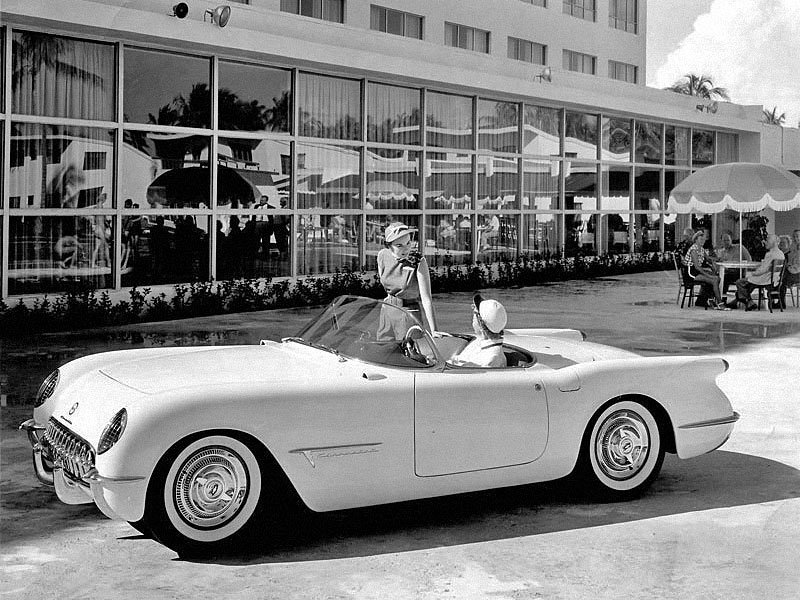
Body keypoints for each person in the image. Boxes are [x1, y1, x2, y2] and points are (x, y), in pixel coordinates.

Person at [377, 222, 438, 338]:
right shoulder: (382, 256)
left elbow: (426, 299)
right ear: (388, 246)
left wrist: (434, 330)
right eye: (399, 245)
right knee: (385, 349)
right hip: (388, 309)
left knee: (410, 352)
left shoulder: (418, 262)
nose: (406, 248)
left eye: (408, 243)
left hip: (409, 313)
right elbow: (384, 280)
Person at [450, 294, 508, 368]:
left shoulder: (491, 359)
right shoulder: (479, 343)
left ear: (480, 324)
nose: (472, 308)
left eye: (475, 312)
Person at [731, 234, 785, 311]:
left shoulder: (770, 254)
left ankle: (748, 301)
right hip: (774, 279)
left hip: (765, 279)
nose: (765, 243)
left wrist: (752, 273)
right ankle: (744, 300)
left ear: (773, 243)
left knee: (739, 282)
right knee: (747, 284)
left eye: (767, 241)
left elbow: (762, 270)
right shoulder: (781, 254)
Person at [684, 230, 727, 310]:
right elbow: (697, 267)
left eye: (703, 239)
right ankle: (719, 303)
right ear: (696, 239)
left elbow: (708, 259)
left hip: (697, 271)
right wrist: (707, 275)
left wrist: (718, 259)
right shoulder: (694, 249)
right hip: (691, 273)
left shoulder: (701, 249)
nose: (703, 241)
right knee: (713, 279)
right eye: (701, 239)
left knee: (717, 277)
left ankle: (711, 299)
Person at [779, 229, 800, 308]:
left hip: (797, 273)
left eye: (797, 236)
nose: (795, 238)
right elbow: (792, 262)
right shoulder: (795, 250)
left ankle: (781, 302)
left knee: (781, 279)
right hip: (793, 271)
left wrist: (789, 267)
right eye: (794, 236)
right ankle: (780, 301)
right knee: (780, 277)